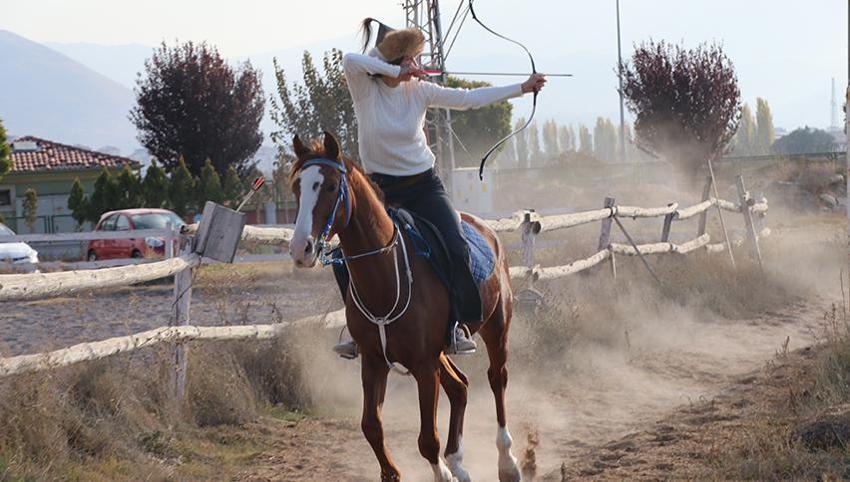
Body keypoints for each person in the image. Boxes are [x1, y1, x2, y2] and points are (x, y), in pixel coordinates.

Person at [333, 19, 546, 358]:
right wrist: (394, 69)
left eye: (415, 59)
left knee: (456, 246)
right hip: (381, 191)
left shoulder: (420, 90)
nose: (416, 66)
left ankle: (457, 324)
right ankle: (359, 330)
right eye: (409, 59)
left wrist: (521, 88)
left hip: (423, 187)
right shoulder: (365, 90)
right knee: (343, 256)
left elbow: (469, 99)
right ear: (389, 62)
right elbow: (349, 60)